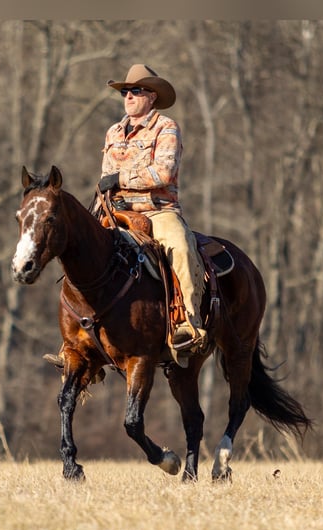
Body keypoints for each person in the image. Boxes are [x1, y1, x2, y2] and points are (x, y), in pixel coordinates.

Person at [97, 64, 207, 352]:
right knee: (80, 247)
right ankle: (75, 336)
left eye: (135, 90)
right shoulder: (113, 132)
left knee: (181, 247)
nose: (128, 96)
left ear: (152, 96)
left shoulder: (167, 128)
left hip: (157, 210)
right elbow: (105, 178)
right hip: (116, 212)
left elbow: (164, 172)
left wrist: (120, 178)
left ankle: (188, 323)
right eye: (125, 91)